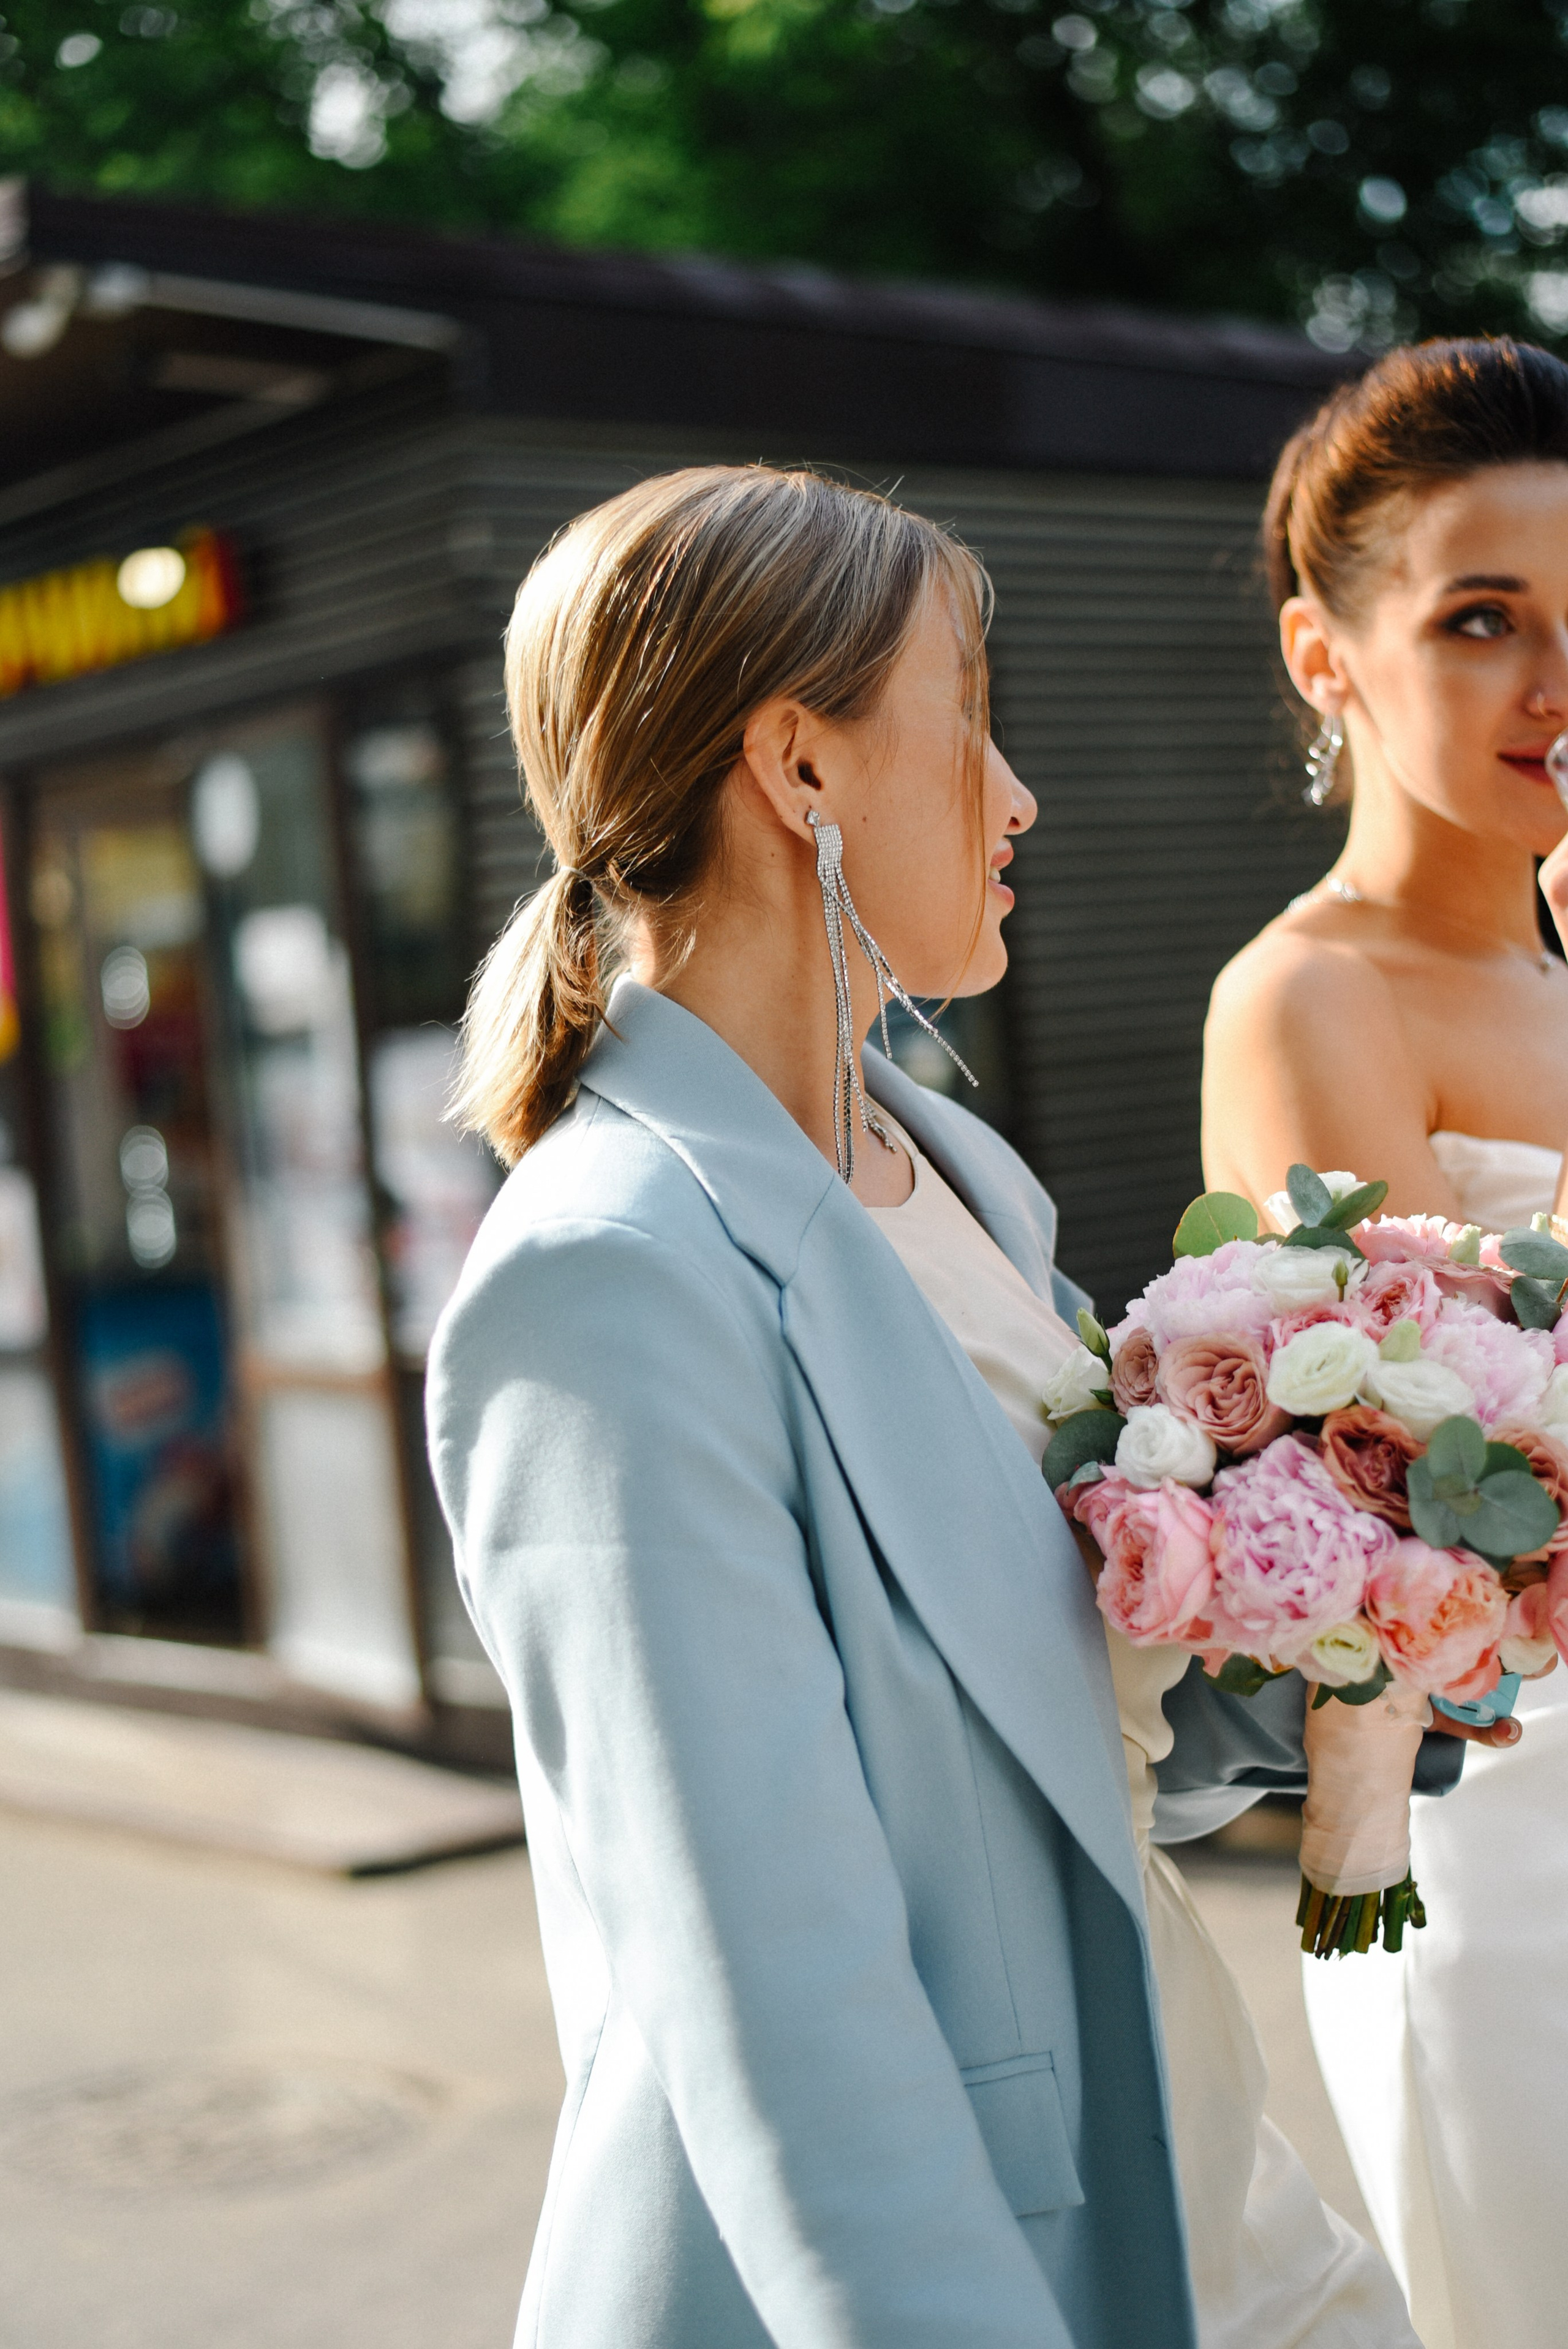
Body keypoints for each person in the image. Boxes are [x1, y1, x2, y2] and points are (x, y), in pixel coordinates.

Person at [426, 464, 1414, 2348]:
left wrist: (1320, 1648)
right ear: (799, 766)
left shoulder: (949, 1173)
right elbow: (773, 1996)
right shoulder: (608, 1278)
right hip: (944, 2248)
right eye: (972, 717)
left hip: (1177, 2141)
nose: (1020, 791)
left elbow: (1047, 1740)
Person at [1202, 335, 1568, 2349]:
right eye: (1483, 619)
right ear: (1327, 658)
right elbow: (1450, 1483)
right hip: (1509, 1825)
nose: (1551, 682)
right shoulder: (1307, 998)